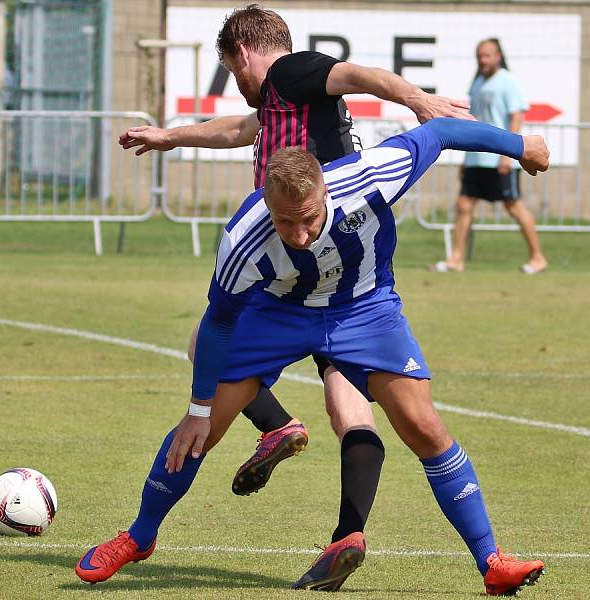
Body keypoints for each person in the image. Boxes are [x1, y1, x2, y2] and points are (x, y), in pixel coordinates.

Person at [78, 116, 549, 596]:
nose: (300, 234)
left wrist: (519, 145)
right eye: (285, 221)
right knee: (198, 431)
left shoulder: (371, 176)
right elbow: (219, 321)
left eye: (308, 218)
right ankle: (139, 537)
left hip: (364, 308)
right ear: (267, 203)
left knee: (424, 427)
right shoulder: (242, 239)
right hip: (278, 313)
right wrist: (199, 406)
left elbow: (440, 133)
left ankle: (491, 562)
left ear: (325, 194)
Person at [120, 7, 474, 582]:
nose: (237, 81)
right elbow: (238, 131)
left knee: (208, 344)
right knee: (349, 405)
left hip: (305, 262)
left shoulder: (289, 72)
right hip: (339, 268)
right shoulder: (284, 106)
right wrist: (170, 136)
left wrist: (417, 99)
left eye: (232, 68)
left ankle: (276, 428)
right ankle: (346, 535)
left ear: (243, 52)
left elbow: (357, 75)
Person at [431, 38, 548, 274]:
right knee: (463, 204)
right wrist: (466, 158)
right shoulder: (477, 83)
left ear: (498, 56)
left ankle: (538, 257)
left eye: (487, 55)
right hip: (477, 158)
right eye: (479, 56)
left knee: (514, 207)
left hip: (500, 156)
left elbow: (516, 115)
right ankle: (456, 259)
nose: (483, 60)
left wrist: (510, 154)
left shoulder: (507, 81)